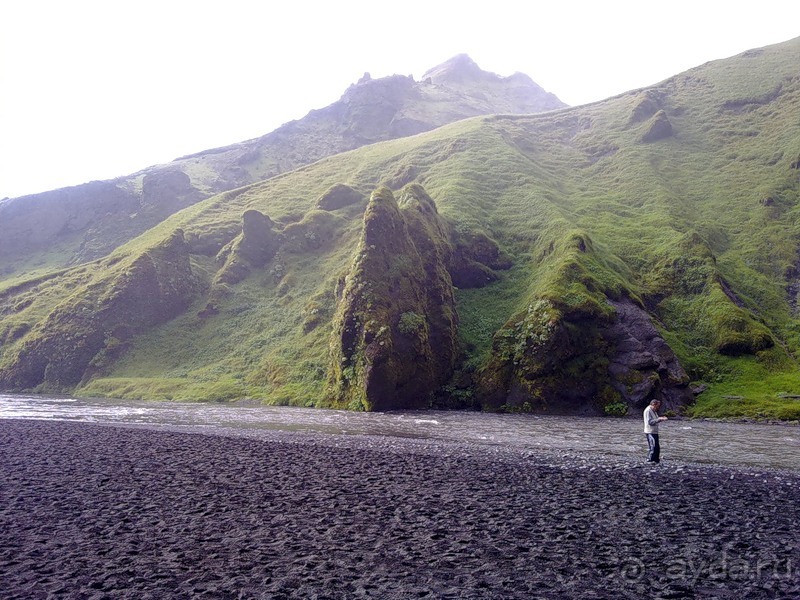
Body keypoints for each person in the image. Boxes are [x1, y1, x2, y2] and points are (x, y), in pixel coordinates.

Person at [643, 399, 668, 463]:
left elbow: (655, 419)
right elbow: (650, 422)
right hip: (650, 431)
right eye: (657, 406)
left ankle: (656, 460)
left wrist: (660, 418)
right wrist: (660, 419)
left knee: (657, 447)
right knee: (653, 447)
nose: (658, 408)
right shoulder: (648, 410)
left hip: (654, 431)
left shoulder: (653, 410)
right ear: (653, 405)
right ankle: (650, 460)